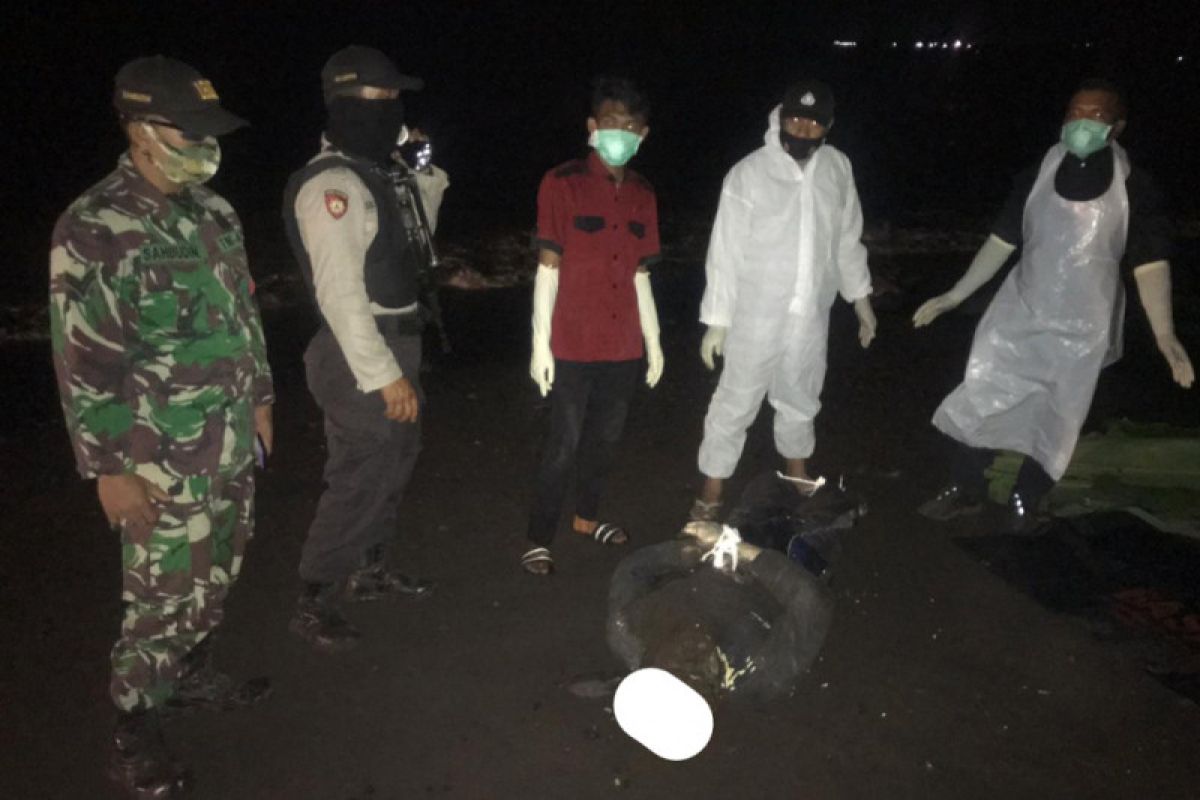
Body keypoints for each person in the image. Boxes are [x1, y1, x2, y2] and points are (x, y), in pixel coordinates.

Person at [50, 55, 274, 798]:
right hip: (157, 456)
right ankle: (133, 728)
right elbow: (85, 359)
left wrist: (264, 398)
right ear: (141, 130)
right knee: (160, 594)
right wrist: (107, 468)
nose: (207, 147)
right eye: (191, 131)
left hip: (231, 438)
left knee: (219, 569)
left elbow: (245, 318)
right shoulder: (95, 225)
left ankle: (193, 674)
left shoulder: (214, 212)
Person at [914, 79, 1194, 532]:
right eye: (1075, 113)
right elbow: (1003, 239)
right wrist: (955, 294)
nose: (1083, 123)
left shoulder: (1136, 187)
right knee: (981, 391)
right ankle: (966, 486)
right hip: (1021, 311)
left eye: (1097, 116)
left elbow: (1149, 263)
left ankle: (1027, 499)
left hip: (1084, 327)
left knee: (1058, 416)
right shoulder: (1037, 174)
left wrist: (1165, 334)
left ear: (1117, 126)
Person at [282, 46, 436, 653]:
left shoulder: (377, 173)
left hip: (395, 338)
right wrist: (381, 374)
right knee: (358, 472)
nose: (391, 109)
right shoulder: (333, 186)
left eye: (395, 99)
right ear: (345, 103)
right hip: (358, 349)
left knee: (395, 459)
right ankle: (313, 596)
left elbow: (413, 248)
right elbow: (340, 290)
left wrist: (421, 172)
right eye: (379, 99)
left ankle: (368, 570)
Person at [691, 79, 877, 522]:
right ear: (781, 117)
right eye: (795, 119)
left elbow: (848, 238)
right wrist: (717, 320)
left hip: (810, 313)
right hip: (755, 313)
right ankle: (711, 492)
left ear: (827, 127)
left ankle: (797, 477)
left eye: (813, 124)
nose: (802, 130)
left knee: (801, 395)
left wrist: (861, 299)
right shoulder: (749, 173)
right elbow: (725, 251)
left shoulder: (837, 168)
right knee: (735, 402)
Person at [522, 77, 665, 575]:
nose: (618, 133)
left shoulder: (644, 194)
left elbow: (641, 275)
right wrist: (540, 347)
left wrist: (655, 341)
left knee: (605, 440)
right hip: (572, 344)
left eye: (629, 126)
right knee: (562, 444)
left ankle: (587, 518)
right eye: (609, 123)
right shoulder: (561, 183)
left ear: (643, 133)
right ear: (591, 127)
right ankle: (539, 537)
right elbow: (547, 269)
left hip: (622, 345)